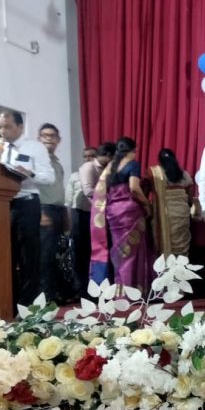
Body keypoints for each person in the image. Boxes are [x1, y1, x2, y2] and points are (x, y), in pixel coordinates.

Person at [0, 111, 56, 307]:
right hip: (1, 205)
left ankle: (28, 305)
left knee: (28, 256)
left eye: (7, 126)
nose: (2, 131)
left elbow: (49, 177)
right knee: (6, 254)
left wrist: (30, 173)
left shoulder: (34, 147)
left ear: (20, 127)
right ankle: (10, 302)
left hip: (26, 203)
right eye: (0, 127)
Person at [91, 137, 153, 291]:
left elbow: (102, 191)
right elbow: (134, 188)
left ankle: (120, 290)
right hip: (130, 212)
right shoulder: (133, 164)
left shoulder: (110, 167)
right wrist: (147, 203)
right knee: (132, 253)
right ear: (133, 150)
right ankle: (131, 291)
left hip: (113, 212)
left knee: (119, 253)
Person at [36, 123, 67, 302]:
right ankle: (44, 298)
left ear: (58, 140)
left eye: (52, 136)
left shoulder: (57, 163)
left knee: (55, 254)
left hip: (58, 210)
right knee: (44, 256)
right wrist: (39, 211)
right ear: (39, 138)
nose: (49, 138)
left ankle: (52, 293)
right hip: (43, 210)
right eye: (45, 135)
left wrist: (65, 214)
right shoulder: (36, 160)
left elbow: (58, 190)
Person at [65, 147, 97, 295]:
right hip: (78, 215)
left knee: (94, 251)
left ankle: (95, 286)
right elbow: (69, 200)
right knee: (79, 252)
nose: (88, 159)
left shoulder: (100, 174)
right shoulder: (75, 176)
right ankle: (80, 288)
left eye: (92, 156)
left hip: (96, 216)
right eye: (86, 156)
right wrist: (69, 224)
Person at [83, 142, 116, 284]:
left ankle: (107, 282)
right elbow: (88, 191)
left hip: (103, 213)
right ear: (108, 155)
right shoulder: (89, 167)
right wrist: (110, 194)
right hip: (85, 213)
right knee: (94, 250)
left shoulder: (106, 168)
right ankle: (93, 285)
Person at [151, 148, 193, 257]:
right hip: (182, 212)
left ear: (159, 160)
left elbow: (145, 189)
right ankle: (181, 265)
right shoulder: (183, 174)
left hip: (163, 212)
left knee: (165, 238)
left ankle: (166, 265)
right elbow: (190, 196)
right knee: (181, 239)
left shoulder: (155, 174)